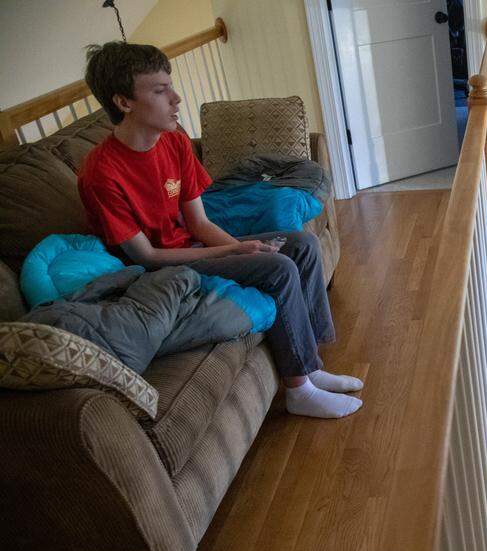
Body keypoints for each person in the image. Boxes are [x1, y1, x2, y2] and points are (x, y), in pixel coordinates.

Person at [77, 42, 362, 419]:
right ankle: (299, 390)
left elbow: (200, 223)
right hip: (158, 271)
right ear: (124, 102)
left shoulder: (175, 142)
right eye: (160, 91)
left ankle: (311, 366)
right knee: (278, 269)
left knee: (301, 245)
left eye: (171, 86)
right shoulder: (101, 173)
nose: (176, 99)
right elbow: (145, 256)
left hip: (190, 244)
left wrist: (247, 248)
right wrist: (231, 253)